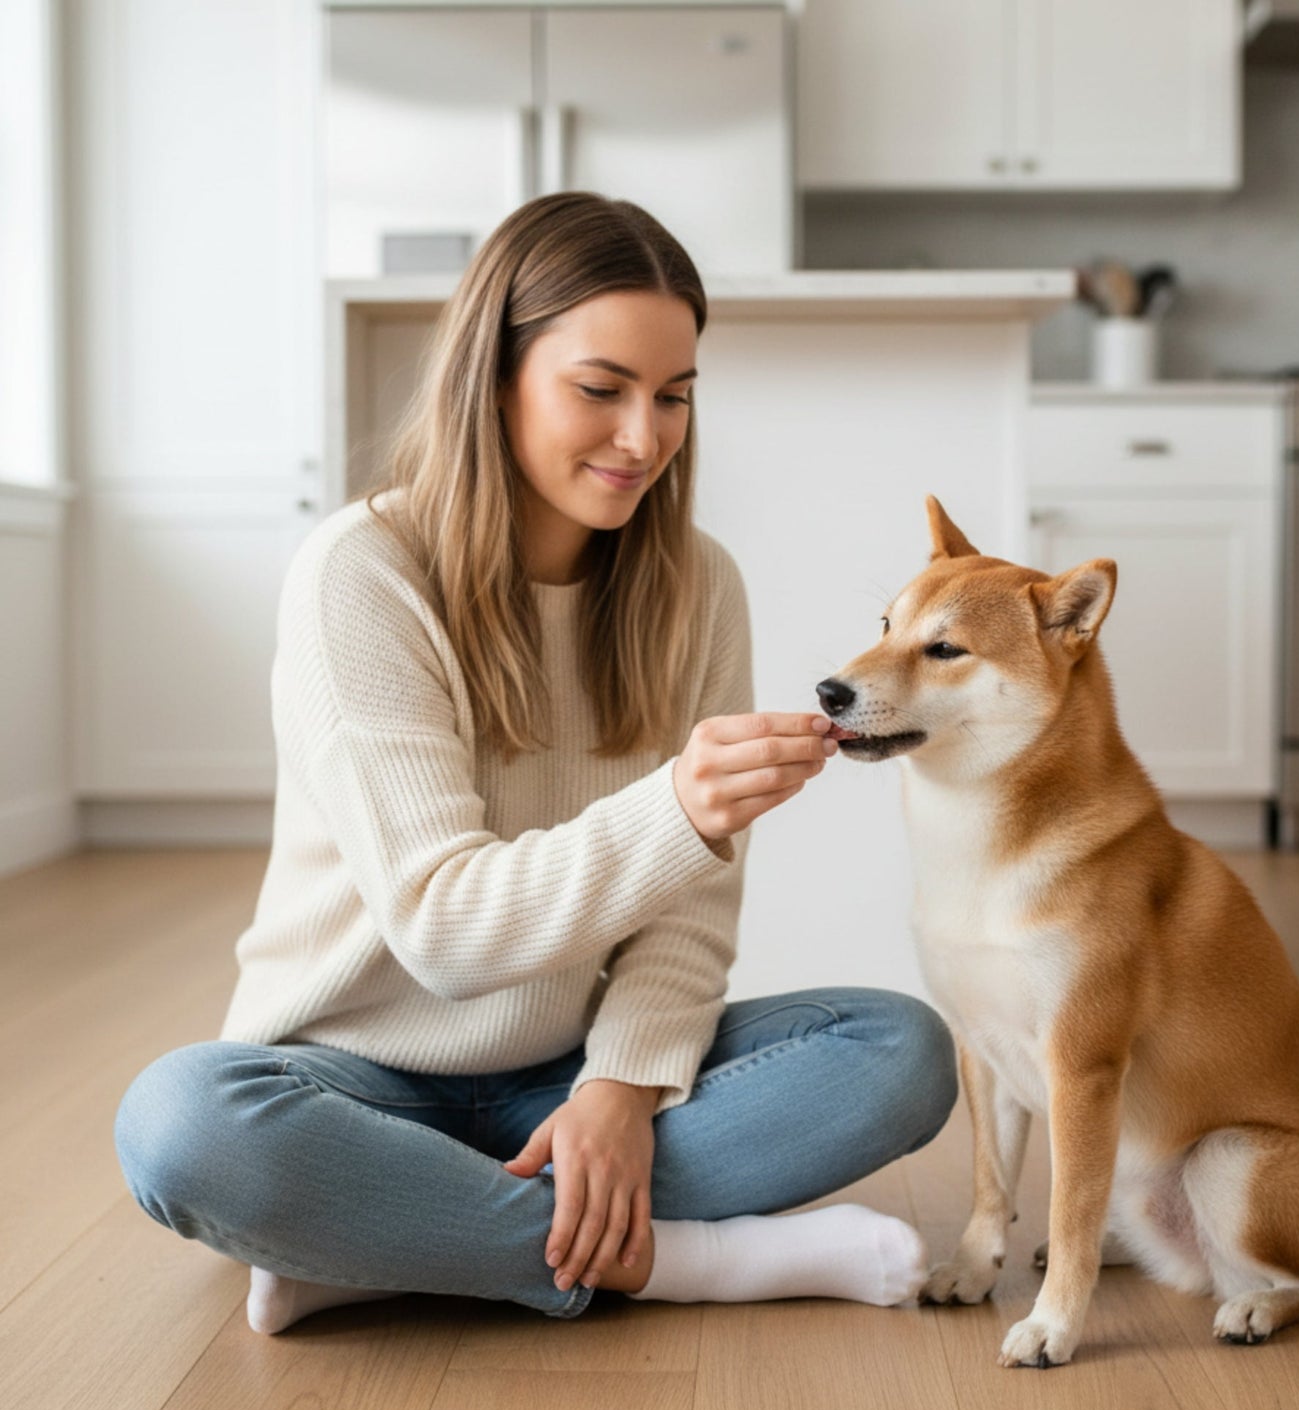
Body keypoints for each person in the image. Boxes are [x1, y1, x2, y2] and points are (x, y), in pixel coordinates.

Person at [113, 192, 957, 1335]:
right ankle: (675, 1259)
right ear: (495, 376)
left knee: (900, 1052)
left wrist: (621, 1084)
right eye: (601, 390)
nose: (643, 439)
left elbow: (688, 913)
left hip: (564, 1076)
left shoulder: (698, 586)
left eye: (674, 396)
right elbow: (445, 932)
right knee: (180, 1124)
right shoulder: (361, 572)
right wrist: (675, 810)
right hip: (351, 1084)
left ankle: (387, 1240)